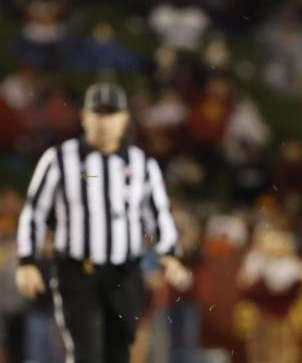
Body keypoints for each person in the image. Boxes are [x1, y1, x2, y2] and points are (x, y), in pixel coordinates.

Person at [14, 82, 190, 363]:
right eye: (98, 113)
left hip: (124, 272)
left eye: (111, 114)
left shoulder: (142, 164)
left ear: (124, 118)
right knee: (86, 351)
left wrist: (169, 253)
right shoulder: (60, 160)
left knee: (118, 352)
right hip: (76, 269)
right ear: (84, 116)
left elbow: (157, 214)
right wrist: (26, 260)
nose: (103, 122)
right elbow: (34, 211)